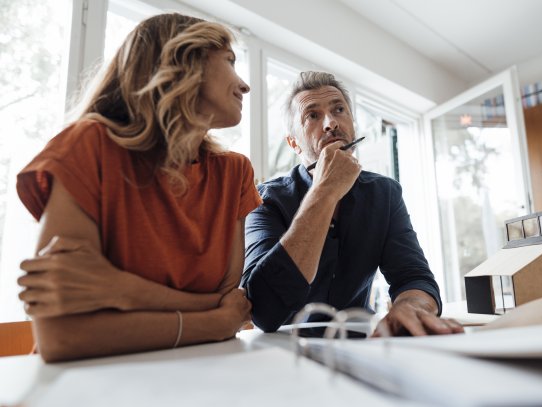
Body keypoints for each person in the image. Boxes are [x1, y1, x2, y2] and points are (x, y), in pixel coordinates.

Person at [15, 13, 262, 362]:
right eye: (230, 62)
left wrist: (123, 291)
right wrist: (214, 322)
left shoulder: (234, 172)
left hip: (199, 375)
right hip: (88, 382)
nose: (244, 85)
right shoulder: (89, 146)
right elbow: (63, 337)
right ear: (183, 63)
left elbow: (230, 304)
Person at [243, 71, 463, 336]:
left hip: (360, 342)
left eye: (339, 109)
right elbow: (263, 310)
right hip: (283, 350)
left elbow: (413, 277)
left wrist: (412, 306)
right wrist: (325, 191)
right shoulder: (264, 200)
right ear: (293, 143)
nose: (331, 123)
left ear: (353, 124)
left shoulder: (385, 193)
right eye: (312, 115)